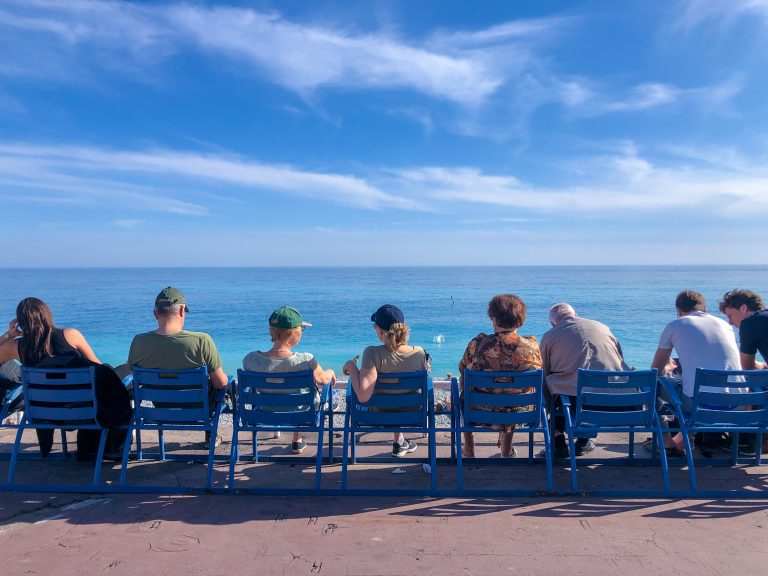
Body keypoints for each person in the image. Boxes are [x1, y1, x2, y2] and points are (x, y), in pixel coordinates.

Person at [0, 297, 131, 458]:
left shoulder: (17, 347)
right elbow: (98, 366)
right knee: (123, 370)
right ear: (48, 315)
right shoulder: (70, 335)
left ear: (21, 322)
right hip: (84, 410)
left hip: (46, 413)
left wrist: (9, 334)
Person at [127, 286, 229, 443]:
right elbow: (221, 382)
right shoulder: (202, 341)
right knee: (223, 389)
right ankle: (211, 433)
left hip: (159, 409)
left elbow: (132, 372)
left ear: (155, 313)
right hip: (198, 410)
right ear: (182, 311)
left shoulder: (139, 341)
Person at [651, 290, 742, 455]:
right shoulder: (726, 326)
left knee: (653, 385)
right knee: (696, 389)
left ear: (679, 311)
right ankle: (683, 442)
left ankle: (666, 441)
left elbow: (655, 370)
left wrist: (669, 368)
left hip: (699, 406)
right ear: (704, 309)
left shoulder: (675, 325)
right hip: (737, 406)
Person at [242, 306, 336, 454]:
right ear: (295, 334)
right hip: (302, 413)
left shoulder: (251, 360)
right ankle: (297, 439)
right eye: (301, 330)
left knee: (290, 394)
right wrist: (330, 372)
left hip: (265, 412)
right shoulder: (305, 360)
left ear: (270, 331)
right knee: (310, 396)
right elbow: (323, 380)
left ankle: (297, 440)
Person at [540, 303, 630, 458]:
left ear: (552, 322)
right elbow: (620, 361)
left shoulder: (550, 336)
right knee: (585, 387)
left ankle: (557, 440)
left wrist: (544, 409)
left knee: (561, 391)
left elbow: (543, 373)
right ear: (575, 314)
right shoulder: (603, 328)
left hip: (580, 404)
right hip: (621, 401)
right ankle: (583, 440)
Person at [457, 294, 542, 458]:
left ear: (494, 319)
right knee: (511, 392)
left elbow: (462, 367)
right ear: (520, 319)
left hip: (479, 411)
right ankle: (506, 450)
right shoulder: (532, 346)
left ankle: (469, 448)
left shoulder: (479, 343)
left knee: (466, 387)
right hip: (520, 412)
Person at [343, 304, 429, 457]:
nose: (374, 329)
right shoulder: (419, 353)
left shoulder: (372, 353)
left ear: (381, 331)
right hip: (412, 414)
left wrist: (351, 368)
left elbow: (363, 396)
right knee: (398, 396)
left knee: (378, 397)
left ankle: (400, 441)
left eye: (375, 326)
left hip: (377, 415)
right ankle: (399, 441)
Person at [719, 289, 768, 370]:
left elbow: (747, 368)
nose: (730, 322)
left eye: (730, 316)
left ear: (743, 308)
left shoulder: (750, 322)